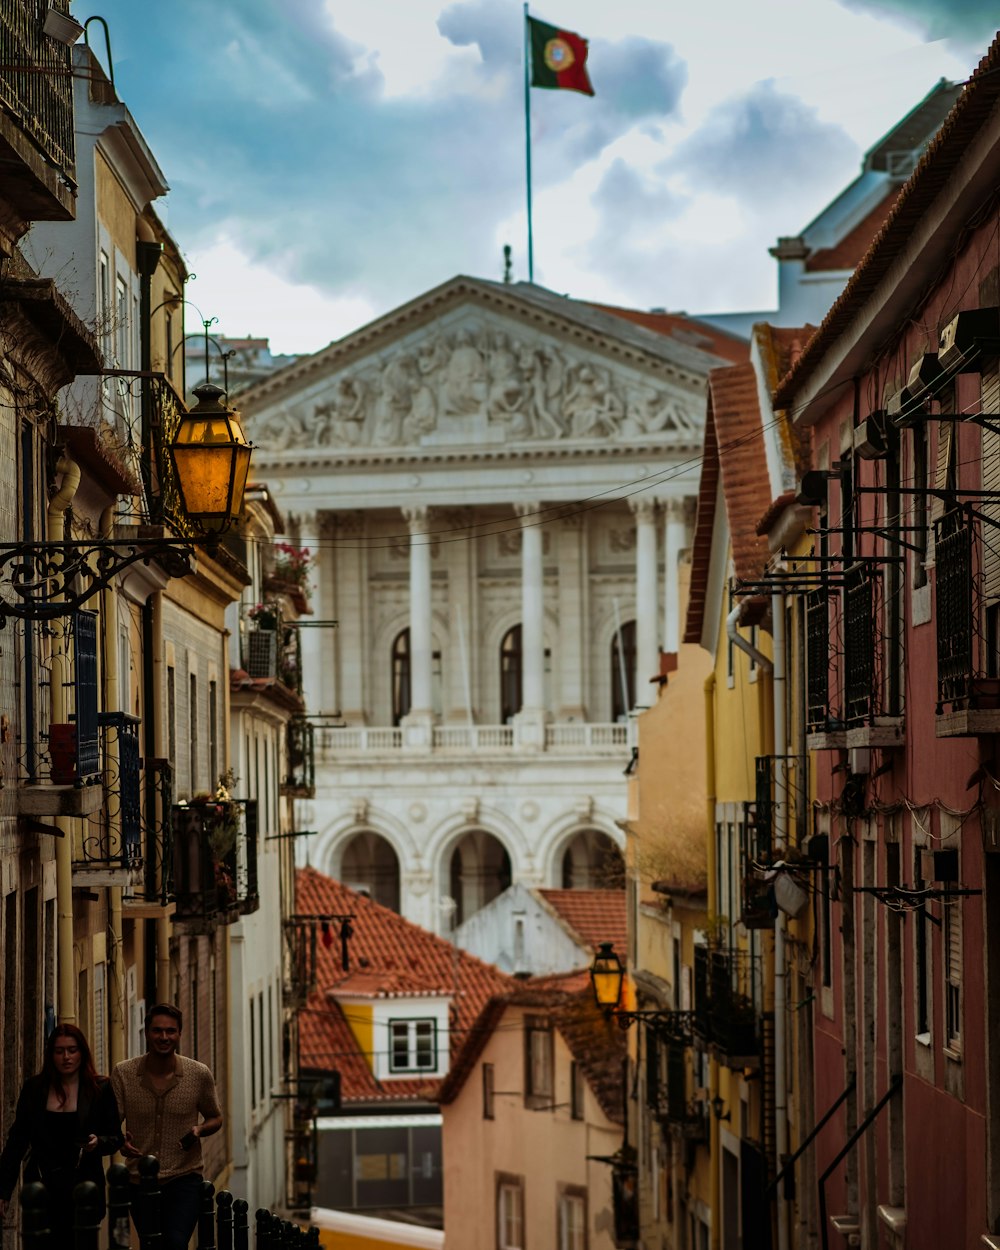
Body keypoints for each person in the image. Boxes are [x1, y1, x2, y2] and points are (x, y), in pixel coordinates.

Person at [111, 1004, 223, 1250]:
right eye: (157, 1031)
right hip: (139, 1180)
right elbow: (111, 1124)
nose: (164, 1037)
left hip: (184, 1177)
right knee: (151, 1244)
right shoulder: (124, 1073)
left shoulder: (198, 1074)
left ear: (179, 1034)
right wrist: (121, 1142)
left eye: (170, 1031)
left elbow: (216, 1118)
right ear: (147, 1033)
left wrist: (199, 1131)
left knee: (175, 1242)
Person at [0, 1024, 122, 1240]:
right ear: (51, 1054)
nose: (66, 1057)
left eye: (72, 1050)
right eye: (59, 1051)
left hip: (83, 1188)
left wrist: (98, 1142)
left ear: (82, 1053)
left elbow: (115, 1138)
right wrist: (3, 1189)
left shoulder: (100, 1088)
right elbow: (17, 1141)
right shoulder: (34, 1089)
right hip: (43, 1186)